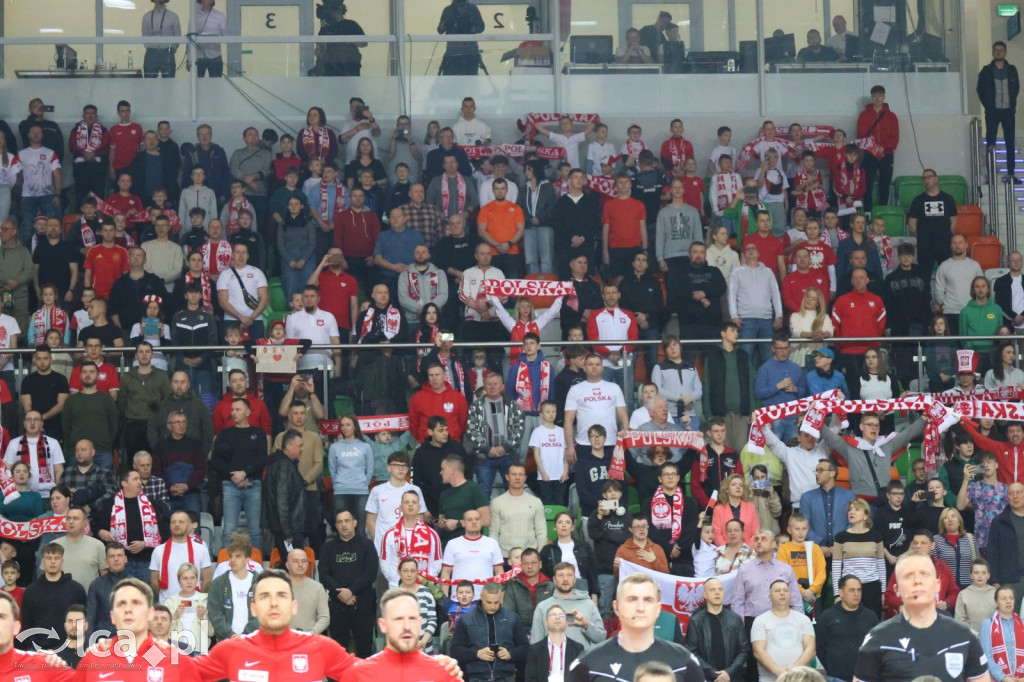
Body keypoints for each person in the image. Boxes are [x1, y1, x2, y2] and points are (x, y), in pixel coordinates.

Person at [856, 552, 989, 682]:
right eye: (908, 576)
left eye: (924, 574)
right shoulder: (878, 639)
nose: (917, 581)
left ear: (937, 585)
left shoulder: (963, 636)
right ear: (897, 589)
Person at [568, 572, 705, 682]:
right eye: (632, 600)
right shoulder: (589, 662)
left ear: (658, 609)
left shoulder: (684, 661)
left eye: (648, 600)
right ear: (616, 607)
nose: (640, 608)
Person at [212, 397, 269, 553]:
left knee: (255, 530)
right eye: (232, 410)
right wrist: (234, 476)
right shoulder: (225, 434)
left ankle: (257, 565)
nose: (233, 413)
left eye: (237, 409)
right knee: (229, 529)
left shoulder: (258, 433)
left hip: (253, 485)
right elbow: (216, 461)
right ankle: (225, 565)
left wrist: (244, 473)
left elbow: (263, 459)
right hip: (230, 486)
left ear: (248, 412)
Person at [319, 508, 378, 657]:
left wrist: (351, 591)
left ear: (355, 522)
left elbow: (370, 573)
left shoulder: (367, 545)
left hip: (363, 602)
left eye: (347, 521)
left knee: (364, 649)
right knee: (338, 651)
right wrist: (342, 593)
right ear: (336, 526)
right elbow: (324, 575)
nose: (343, 525)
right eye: (340, 522)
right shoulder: (328, 547)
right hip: (337, 603)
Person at [451, 580, 529, 678]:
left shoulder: (512, 618)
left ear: (501, 598)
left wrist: (511, 654)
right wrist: (477, 654)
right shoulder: (466, 619)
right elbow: (455, 650)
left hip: (505, 677)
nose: (492, 606)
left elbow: (525, 648)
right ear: (481, 597)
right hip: (476, 677)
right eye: (488, 602)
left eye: (496, 602)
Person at [18, 542, 87, 651]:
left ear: (62, 561)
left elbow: (83, 622)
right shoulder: (31, 591)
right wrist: (36, 646)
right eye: (49, 558)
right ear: (43, 561)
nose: (53, 562)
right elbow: (26, 624)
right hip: (39, 651)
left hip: (71, 650)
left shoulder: (76, 589)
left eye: (57, 558)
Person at [702, 323, 755, 454]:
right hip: (720, 413)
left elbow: (749, 384)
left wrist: (752, 410)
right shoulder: (712, 355)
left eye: (737, 331)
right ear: (723, 333)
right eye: (732, 330)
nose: (736, 333)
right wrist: (708, 413)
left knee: (741, 450)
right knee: (723, 451)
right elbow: (707, 384)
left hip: (741, 413)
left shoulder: (743, 355)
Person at [751, 579, 816, 682]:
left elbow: (811, 648)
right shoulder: (760, 621)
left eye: (786, 590)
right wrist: (779, 672)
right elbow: (758, 651)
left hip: (798, 679)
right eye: (777, 591)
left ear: (790, 595)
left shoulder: (803, 619)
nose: (782, 593)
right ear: (769, 597)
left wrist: (794, 670)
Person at [729, 242, 784, 366]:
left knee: (769, 356)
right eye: (747, 249)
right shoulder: (737, 272)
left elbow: (775, 293)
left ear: (758, 253)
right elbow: (731, 294)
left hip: (766, 319)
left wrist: (779, 315)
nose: (751, 251)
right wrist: (734, 315)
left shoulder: (768, 272)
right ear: (743, 254)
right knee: (745, 356)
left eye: (753, 248)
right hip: (745, 319)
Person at [532, 561, 606, 649]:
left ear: (575, 579)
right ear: (554, 580)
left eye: (569, 575)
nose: (565, 579)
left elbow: (601, 638)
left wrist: (586, 624)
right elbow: (535, 644)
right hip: (552, 660)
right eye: (561, 575)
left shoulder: (588, 604)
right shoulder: (543, 607)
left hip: (581, 661)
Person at [378, 489, 442, 587]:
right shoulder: (390, 534)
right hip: (397, 588)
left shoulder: (432, 534)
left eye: (414, 502)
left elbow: (437, 562)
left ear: (419, 507)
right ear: (400, 507)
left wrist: (427, 582)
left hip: (423, 589)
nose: (410, 505)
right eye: (407, 502)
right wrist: (395, 581)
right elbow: (384, 562)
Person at [147, 508, 211, 605]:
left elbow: (207, 579)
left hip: (195, 606)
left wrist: (198, 599)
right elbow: (154, 581)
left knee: (203, 621)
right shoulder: (158, 550)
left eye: (181, 522)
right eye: (173, 522)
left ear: (189, 525)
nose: (176, 525)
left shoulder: (201, 549)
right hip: (167, 605)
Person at [978, 41, 1021, 182]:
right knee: (991, 142)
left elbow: (1016, 88)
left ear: (1005, 52)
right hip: (992, 112)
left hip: (1008, 111)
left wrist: (1011, 103)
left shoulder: (1011, 70)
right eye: (995, 50)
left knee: (1010, 143)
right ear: (992, 52)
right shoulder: (986, 71)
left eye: (1001, 50)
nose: (998, 52)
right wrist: (988, 106)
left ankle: (1011, 173)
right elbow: (980, 90)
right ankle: (991, 175)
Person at [263, 429, 308, 561]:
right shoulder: (284, 466)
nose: (302, 449)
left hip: (287, 528)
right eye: (299, 446)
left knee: (290, 564)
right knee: (293, 565)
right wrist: (287, 532)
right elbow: (281, 501)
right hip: (289, 530)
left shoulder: (283, 464)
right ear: (288, 446)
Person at [754, 334, 807, 442]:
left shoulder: (796, 368)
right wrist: (777, 387)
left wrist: (795, 389)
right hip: (774, 417)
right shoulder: (765, 369)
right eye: (780, 349)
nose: (784, 352)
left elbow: (804, 392)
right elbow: (758, 393)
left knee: (793, 450)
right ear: (773, 349)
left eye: (786, 348)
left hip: (792, 417)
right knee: (774, 452)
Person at [855, 85, 899, 213]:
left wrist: (884, 148)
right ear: (871, 97)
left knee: (885, 184)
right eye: (874, 96)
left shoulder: (892, 116)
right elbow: (861, 135)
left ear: (884, 97)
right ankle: (867, 211)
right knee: (867, 184)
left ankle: (882, 211)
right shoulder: (864, 115)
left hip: (887, 154)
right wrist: (873, 148)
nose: (877, 98)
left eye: (879, 96)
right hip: (870, 154)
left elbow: (895, 137)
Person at [3, 410, 64, 500]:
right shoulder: (14, 443)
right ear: (24, 423)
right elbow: (8, 470)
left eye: (36, 419)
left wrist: (59, 492)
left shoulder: (53, 443)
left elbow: (59, 470)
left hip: (48, 494)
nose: (32, 423)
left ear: (42, 423)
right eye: (28, 420)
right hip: (21, 493)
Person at [490, 463, 547, 557]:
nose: (517, 478)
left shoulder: (536, 502)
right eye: (513, 474)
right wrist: (496, 556)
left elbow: (541, 532)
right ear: (507, 477)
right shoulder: (497, 502)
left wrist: (540, 556)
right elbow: (494, 533)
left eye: (520, 475)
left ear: (525, 478)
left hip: (530, 556)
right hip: (505, 556)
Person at [526, 603, 584, 682]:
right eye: (553, 615)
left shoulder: (578, 649)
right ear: (546, 623)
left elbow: (582, 678)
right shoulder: (535, 650)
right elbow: (530, 679)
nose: (557, 617)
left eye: (561, 616)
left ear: (567, 623)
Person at [437, 0, 485, 75]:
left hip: (469, 51)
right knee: (451, 80)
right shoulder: (448, 10)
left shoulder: (472, 9)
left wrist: (472, 28)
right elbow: (440, 30)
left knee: (470, 79)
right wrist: (448, 22)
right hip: (453, 52)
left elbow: (481, 27)